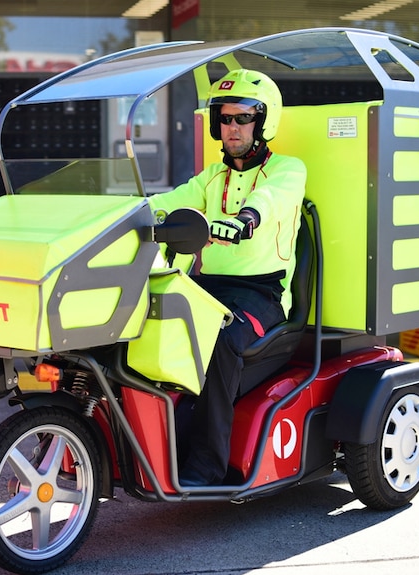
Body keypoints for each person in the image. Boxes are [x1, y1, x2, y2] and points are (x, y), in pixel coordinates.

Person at [148, 68, 307, 487]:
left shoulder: (288, 169)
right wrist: (128, 213)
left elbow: (271, 199)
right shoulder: (210, 177)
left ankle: (207, 467)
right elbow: (171, 200)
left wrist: (246, 219)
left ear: (264, 121)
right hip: (210, 288)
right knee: (150, 320)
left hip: (261, 295)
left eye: (243, 117)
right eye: (224, 117)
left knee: (218, 340)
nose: (231, 127)